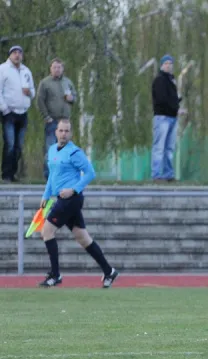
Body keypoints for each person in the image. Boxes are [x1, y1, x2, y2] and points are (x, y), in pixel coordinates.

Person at [38, 119, 119, 288]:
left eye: (67, 131)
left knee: (47, 231)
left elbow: (90, 173)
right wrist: (46, 195)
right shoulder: (52, 150)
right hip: (60, 199)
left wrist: (73, 190)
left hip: (71, 199)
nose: (63, 134)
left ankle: (55, 275)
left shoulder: (75, 152)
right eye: (61, 131)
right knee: (83, 237)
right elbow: (52, 176)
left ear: (71, 133)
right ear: (56, 132)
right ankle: (109, 271)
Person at [37, 58, 77, 179]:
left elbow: (75, 96)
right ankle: (48, 175)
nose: (57, 69)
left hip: (65, 121)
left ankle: (62, 174)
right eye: (54, 67)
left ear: (62, 69)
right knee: (51, 147)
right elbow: (40, 100)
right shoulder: (45, 83)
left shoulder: (67, 82)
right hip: (52, 120)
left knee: (65, 148)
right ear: (51, 69)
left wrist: (72, 99)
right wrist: (46, 117)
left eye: (59, 67)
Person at [0, 45, 35, 182]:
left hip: (23, 112)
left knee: (19, 145)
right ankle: (6, 174)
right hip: (9, 112)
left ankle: (13, 173)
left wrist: (30, 93)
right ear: (10, 55)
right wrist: (5, 109)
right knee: (10, 143)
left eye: (19, 53)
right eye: (14, 53)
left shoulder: (26, 71)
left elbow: (32, 90)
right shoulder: (3, 69)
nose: (17, 55)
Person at [151, 54, 182, 182]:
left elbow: (171, 99)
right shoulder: (159, 80)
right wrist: (176, 107)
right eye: (166, 63)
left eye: (170, 63)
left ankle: (168, 174)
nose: (168, 65)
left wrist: (177, 104)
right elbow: (162, 99)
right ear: (162, 65)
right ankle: (156, 174)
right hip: (162, 117)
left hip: (172, 117)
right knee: (159, 147)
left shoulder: (171, 81)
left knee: (169, 148)